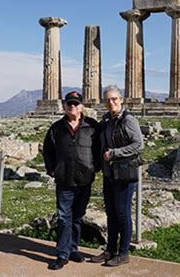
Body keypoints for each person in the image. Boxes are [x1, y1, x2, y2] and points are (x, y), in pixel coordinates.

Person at [42, 91, 101, 270]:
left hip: (84, 180)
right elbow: (48, 151)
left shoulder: (92, 126)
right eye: (69, 104)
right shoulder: (56, 128)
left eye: (76, 103)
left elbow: (99, 149)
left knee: (77, 217)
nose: (72, 106)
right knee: (63, 217)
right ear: (64, 106)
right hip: (64, 180)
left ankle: (73, 248)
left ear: (81, 105)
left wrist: (94, 168)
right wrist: (52, 170)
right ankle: (62, 253)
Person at [90, 85, 144, 267]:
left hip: (125, 174)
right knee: (111, 213)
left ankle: (123, 253)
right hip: (109, 174)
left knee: (123, 213)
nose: (111, 102)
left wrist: (115, 153)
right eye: (107, 100)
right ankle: (110, 250)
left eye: (114, 99)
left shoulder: (129, 120)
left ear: (121, 100)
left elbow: (139, 144)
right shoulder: (107, 121)